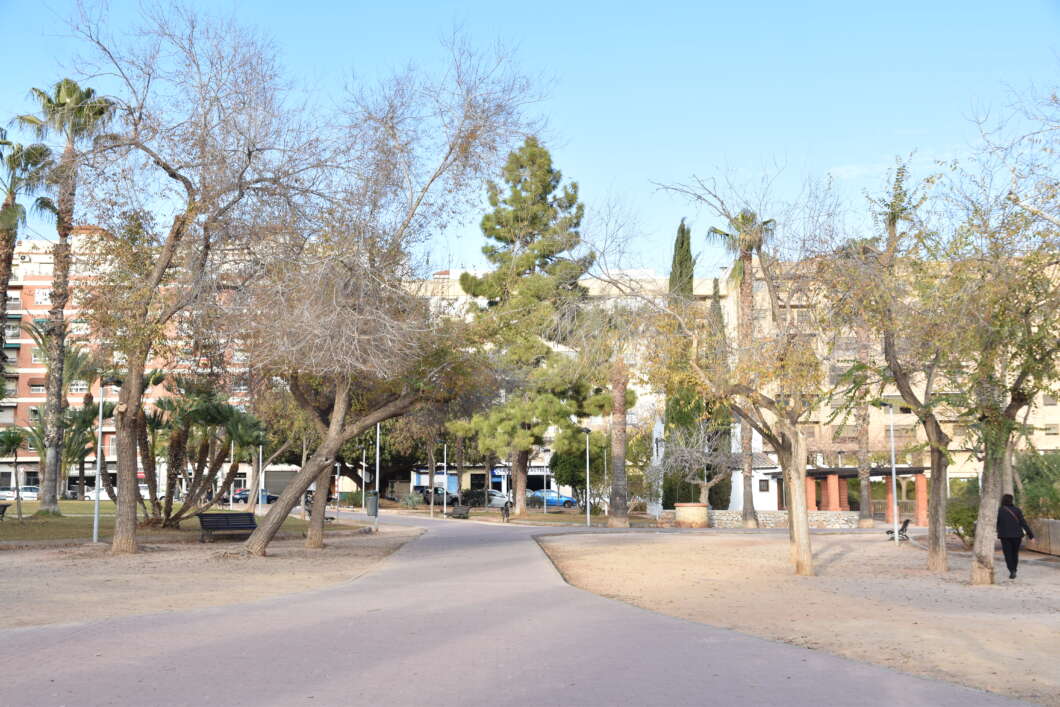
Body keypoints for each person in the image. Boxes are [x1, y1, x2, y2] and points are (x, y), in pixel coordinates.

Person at [997, 494, 1035, 579]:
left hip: (1005, 536)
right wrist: (1031, 535)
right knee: (1015, 553)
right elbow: (1023, 523)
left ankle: (1011, 570)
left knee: (1007, 554)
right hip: (1017, 536)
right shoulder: (1017, 510)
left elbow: (996, 523)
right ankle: (1014, 569)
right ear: (1011, 500)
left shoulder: (999, 510)